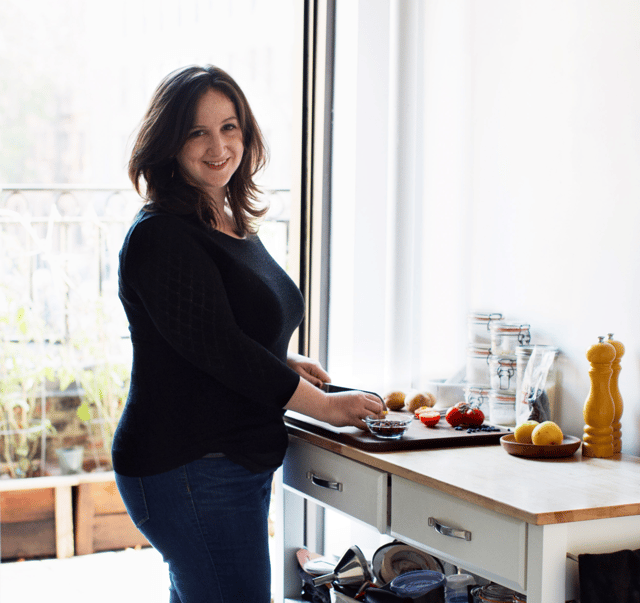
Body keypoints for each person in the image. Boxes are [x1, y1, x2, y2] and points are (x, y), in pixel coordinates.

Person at [113, 64, 385, 603]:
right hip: (189, 464)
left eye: (229, 127)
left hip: (224, 462)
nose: (218, 146)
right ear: (168, 143)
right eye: (197, 131)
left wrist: (282, 361)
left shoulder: (226, 220)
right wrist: (325, 407)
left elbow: (216, 332)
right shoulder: (162, 236)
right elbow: (221, 349)